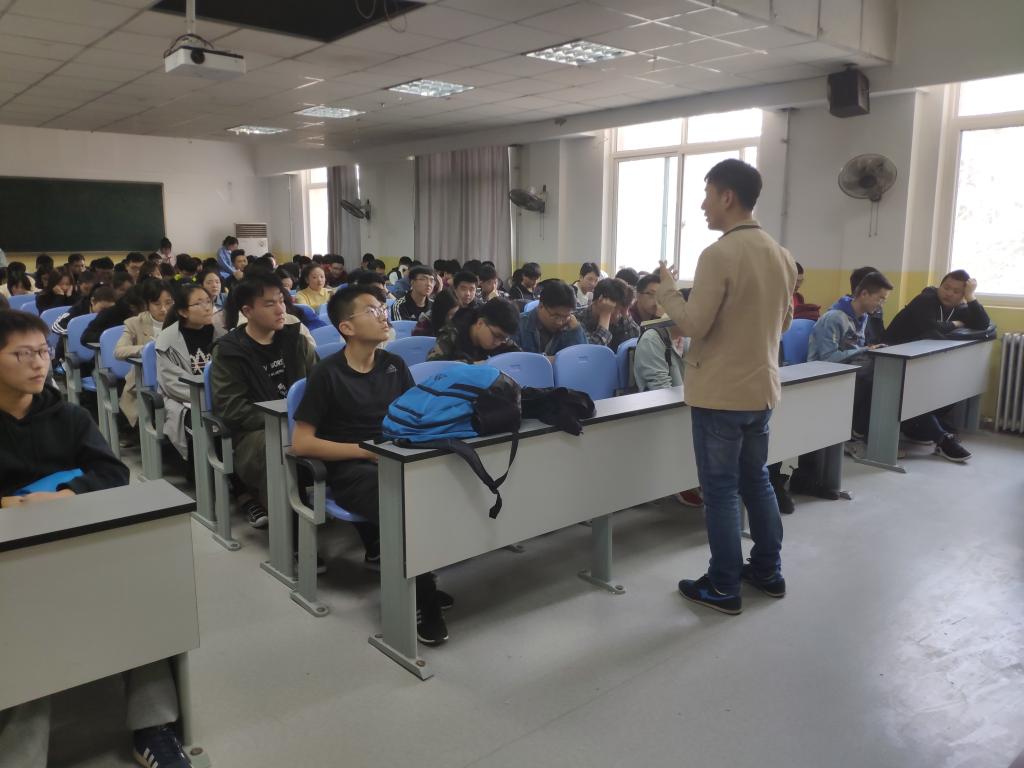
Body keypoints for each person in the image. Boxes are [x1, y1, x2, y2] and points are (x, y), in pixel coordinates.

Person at [0, 310, 192, 768]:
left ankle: (153, 727)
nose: (39, 363)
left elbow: (111, 472)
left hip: (75, 544)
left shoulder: (67, 415)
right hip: (12, 561)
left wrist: (64, 495)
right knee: (23, 628)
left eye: (43, 351)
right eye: (23, 354)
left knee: (144, 600)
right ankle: (20, 752)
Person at [654, 158, 795, 615]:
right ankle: (768, 571)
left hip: (719, 394)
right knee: (758, 480)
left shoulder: (718, 254)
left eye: (707, 195)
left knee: (719, 491)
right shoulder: (781, 254)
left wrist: (667, 291)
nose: (703, 205)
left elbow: (694, 324)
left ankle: (723, 585)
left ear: (727, 196)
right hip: (761, 389)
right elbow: (784, 323)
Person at [291, 286, 451, 645]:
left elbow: (412, 416)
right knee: (403, 505)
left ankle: (417, 577)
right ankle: (424, 596)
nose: (383, 316)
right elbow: (302, 443)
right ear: (346, 327)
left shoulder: (394, 365)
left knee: (442, 486)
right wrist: (363, 452)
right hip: (352, 468)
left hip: (396, 456)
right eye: (372, 310)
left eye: (382, 308)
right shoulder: (327, 373)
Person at [210, 273, 317, 528]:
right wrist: (286, 422)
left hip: (301, 424)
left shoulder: (296, 340)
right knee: (278, 445)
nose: (281, 309)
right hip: (254, 434)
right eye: (270, 304)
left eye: (281, 300)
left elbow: (319, 386)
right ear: (247, 311)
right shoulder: (229, 351)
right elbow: (233, 410)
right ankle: (290, 533)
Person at [632, 315, 703, 507]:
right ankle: (680, 481)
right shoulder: (652, 340)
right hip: (658, 409)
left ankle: (693, 478)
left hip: (686, 404)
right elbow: (661, 389)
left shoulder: (686, 338)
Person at [155, 283, 225, 462]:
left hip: (219, 396)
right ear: (183, 312)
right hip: (183, 400)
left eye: (208, 301)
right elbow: (171, 384)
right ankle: (201, 473)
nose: (207, 307)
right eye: (199, 303)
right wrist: (208, 398)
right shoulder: (167, 339)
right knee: (202, 419)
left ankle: (230, 472)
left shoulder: (221, 333)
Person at [885, 269, 992, 345]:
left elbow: (983, 324)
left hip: (917, 351)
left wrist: (970, 296)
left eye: (956, 291)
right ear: (939, 286)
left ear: (963, 296)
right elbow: (932, 328)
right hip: (891, 348)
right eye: (946, 288)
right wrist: (956, 324)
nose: (949, 293)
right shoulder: (926, 299)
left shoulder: (959, 307)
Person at [427, 298, 520, 362]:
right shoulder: (452, 332)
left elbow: (520, 358)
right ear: (480, 323)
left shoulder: (501, 337)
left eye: (504, 338)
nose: (498, 342)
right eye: (496, 336)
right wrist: (471, 366)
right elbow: (433, 366)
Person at [514, 279, 587, 356]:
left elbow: (583, 357)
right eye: (555, 316)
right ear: (541, 306)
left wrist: (576, 330)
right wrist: (546, 360)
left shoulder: (570, 326)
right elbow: (511, 359)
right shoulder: (517, 325)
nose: (560, 322)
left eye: (566, 316)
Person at [575, 277, 640, 350]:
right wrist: (605, 315)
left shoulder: (618, 316)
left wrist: (625, 313)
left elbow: (637, 339)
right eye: (614, 308)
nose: (618, 315)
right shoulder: (577, 320)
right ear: (600, 301)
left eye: (620, 310)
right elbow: (591, 352)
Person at [848, 266, 885, 345]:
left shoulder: (876, 309)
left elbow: (881, 339)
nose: (880, 304)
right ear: (864, 293)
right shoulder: (843, 316)